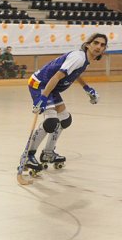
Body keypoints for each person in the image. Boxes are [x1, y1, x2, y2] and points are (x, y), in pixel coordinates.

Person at [24, 33, 105, 174]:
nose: (99, 47)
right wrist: (42, 98)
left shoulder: (83, 59)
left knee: (64, 119)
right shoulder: (79, 57)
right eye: (96, 43)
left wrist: (87, 88)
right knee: (50, 122)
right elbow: (57, 76)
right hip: (40, 84)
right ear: (87, 45)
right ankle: (28, 156)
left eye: (102, 45)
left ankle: (48, 152)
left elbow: (75, 74)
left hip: (50, 86)